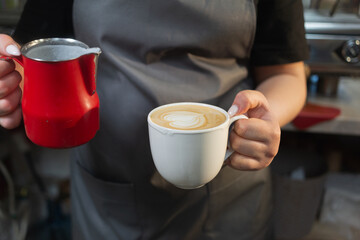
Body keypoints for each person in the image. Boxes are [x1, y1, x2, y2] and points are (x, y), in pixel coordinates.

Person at [0, 0, 309, 239]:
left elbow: (285, 74)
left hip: (230, 194)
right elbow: (35, 58)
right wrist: (10, 82)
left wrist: (265, 119)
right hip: (111, 193)